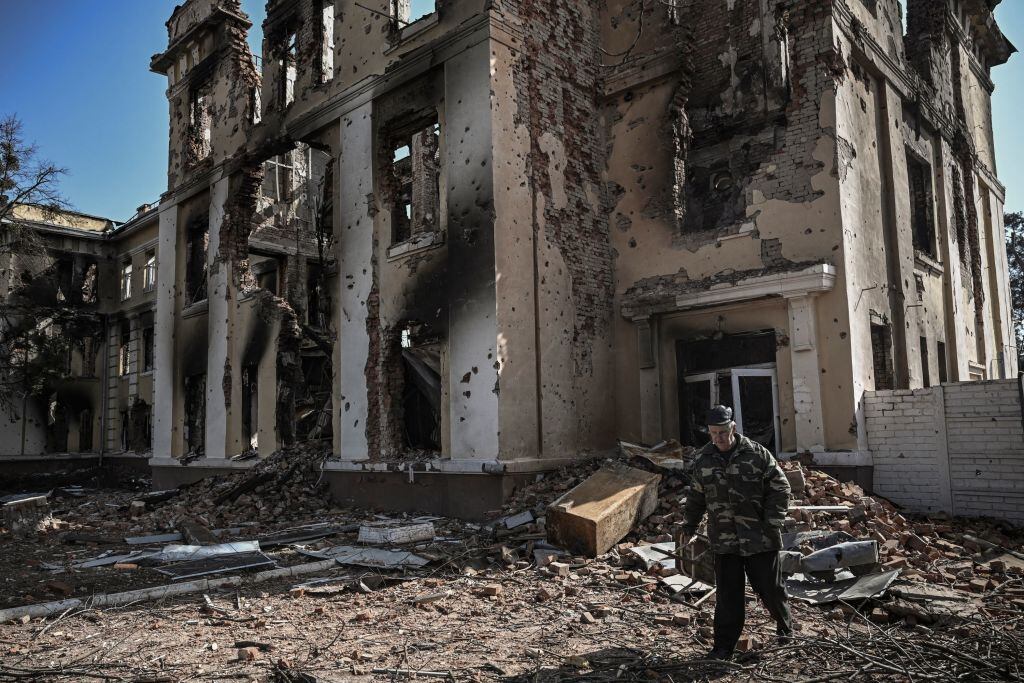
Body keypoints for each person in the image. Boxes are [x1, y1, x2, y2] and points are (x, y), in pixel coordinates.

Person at [678, 405, 793, 661]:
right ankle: (722, 648)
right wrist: (689, 525)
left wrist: (772, 522)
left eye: (723, 432)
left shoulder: (756, 454)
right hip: (724, 541)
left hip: (759, 539)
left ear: (733, 428)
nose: (719, 438)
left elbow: (780, 487)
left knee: (770, 590)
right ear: (709, 433)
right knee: (728, 597)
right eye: (714, 433)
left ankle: (786, 629)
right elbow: (696, 496)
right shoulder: (703, 459)